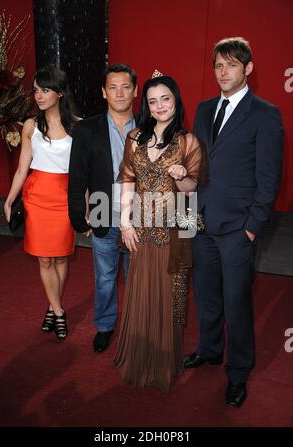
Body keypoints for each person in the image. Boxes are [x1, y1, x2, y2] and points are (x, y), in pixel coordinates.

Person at [184, 37, 283, 406]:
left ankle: (238, 371)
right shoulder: (204, 107)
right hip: (201, 222)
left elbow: (269, 178)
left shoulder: (265, 114)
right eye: (218, 65)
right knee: (206, 296)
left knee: (236, 301)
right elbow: (196, 165)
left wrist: (252, 228)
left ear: (248, 69)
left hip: (238, 229)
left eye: (231, 65)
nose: (223, 72)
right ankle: (209, 349)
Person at [114, 72, 204, 392]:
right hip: (139, 229)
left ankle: (163, 361)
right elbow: (126, 180)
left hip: (172, 230)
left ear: (176, 100)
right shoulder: (134, 137)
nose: (159, 105)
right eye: (152, 101)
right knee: (141, 292)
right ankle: (140, 356)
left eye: (165, 98)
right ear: (146, 105)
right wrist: (124, 221)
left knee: (168, 297)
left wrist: (181, 176)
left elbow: (193, 186)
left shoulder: (188, 141)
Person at [4, 66, 79, 340]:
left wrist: (84, 206)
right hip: (37, 197)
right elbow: (23, 168)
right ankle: (59, 311)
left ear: (59, 93)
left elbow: (81, 173)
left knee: (60, 256)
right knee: (44, 258)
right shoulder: (30, 126)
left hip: (64, 198)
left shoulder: (77, 127)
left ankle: (52, 306)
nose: (38, 95)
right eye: (35, 90)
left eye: (44, 90)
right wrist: (11, 198)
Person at [68, 64, 138, 353]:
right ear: (103, 92)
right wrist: (78, 217)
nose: (119, 93)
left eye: (125, 86)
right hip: (101, 209)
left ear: (135, 90)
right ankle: (105, 326)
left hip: (140, 215)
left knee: (137, 277)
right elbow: (77, 175)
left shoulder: (151, 125)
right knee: (105, 276)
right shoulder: (87, 129)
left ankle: (137, 326)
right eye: (113, 87)